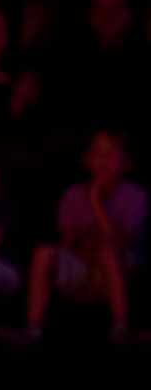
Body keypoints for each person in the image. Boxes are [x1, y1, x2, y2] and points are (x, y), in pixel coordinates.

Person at [25, 129, 145, 341]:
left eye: (111, 154)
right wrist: (86, 249)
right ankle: (33, 330)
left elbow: (121, 241)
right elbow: (68, 241)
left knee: (107, 251)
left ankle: (121, 327)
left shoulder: (135, 195)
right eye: (98, 154)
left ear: (125, 163)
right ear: (87, 161)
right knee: (43, 252)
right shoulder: (72, 195)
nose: (104, 161)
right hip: (83, 266)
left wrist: (95, 202)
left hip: (121, 266)